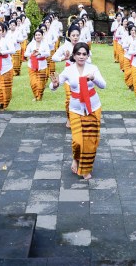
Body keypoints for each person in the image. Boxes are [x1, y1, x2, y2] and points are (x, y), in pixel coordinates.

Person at [49, 42, 106, 180]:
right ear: (74, 55)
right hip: (75, 109)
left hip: (93, 107)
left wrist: (94, 78)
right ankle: (76, 157)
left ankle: (86, 169)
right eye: (78, 54)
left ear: (87, 56)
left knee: (91, 140)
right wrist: (55, 84)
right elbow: (54, 85)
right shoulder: (69, 70)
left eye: (84, 54)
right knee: (78, 141)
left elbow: (103, 85)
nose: (81, 56)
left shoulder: (93, 68)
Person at [53, 25, 82, 127]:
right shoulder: (65, 46)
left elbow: (90, 59)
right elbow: (54, 57)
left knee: (80, 98)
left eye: (77, 35)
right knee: (70, 99)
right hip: (69, 76)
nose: (75, 37)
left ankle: (79, 118)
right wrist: (64, 58)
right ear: (69, 36)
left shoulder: (82, 46)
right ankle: (69, 118)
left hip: (81, 76)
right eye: (73, 35)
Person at [24, 28, 51, 101]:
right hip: (32, 64)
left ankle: (39, 96)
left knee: (41, 82)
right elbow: (25, 54)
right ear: (34, 36)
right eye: (36, 35)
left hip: (42, 65)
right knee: (33, 82)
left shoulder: (45, 44)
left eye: (39, 35)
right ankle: (35, 95)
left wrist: (40, 53)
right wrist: (32, 53)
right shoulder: (31, 44)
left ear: (42, 36)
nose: (38, 36)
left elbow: (48, 53)